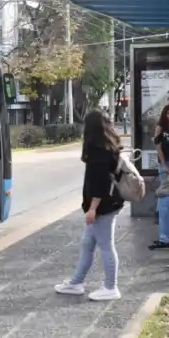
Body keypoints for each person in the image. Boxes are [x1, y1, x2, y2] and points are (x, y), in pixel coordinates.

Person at [55, 109, 124, 301]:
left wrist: (93, 208)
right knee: (87, 244)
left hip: (103, 205)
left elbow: (100, 183)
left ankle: (111, 287)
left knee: (106, 246)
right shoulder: (109, 145)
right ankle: (76, 282)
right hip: (110, 202)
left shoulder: (99, 150)